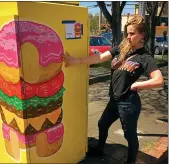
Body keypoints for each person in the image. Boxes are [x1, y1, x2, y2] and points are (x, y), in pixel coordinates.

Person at [62, 15, 164, 164]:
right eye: (126, 33)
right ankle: (99, 149)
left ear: (142, 35)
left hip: (128, 104)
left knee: (129, 135)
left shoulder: (145, 57)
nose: (128, 37)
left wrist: (136, 85)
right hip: (114, 100)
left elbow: (159, 80)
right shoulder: (121, 49)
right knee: (102, 124)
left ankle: (130, 161)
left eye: (132, 33)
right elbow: (100, 58)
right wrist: (76, 61)